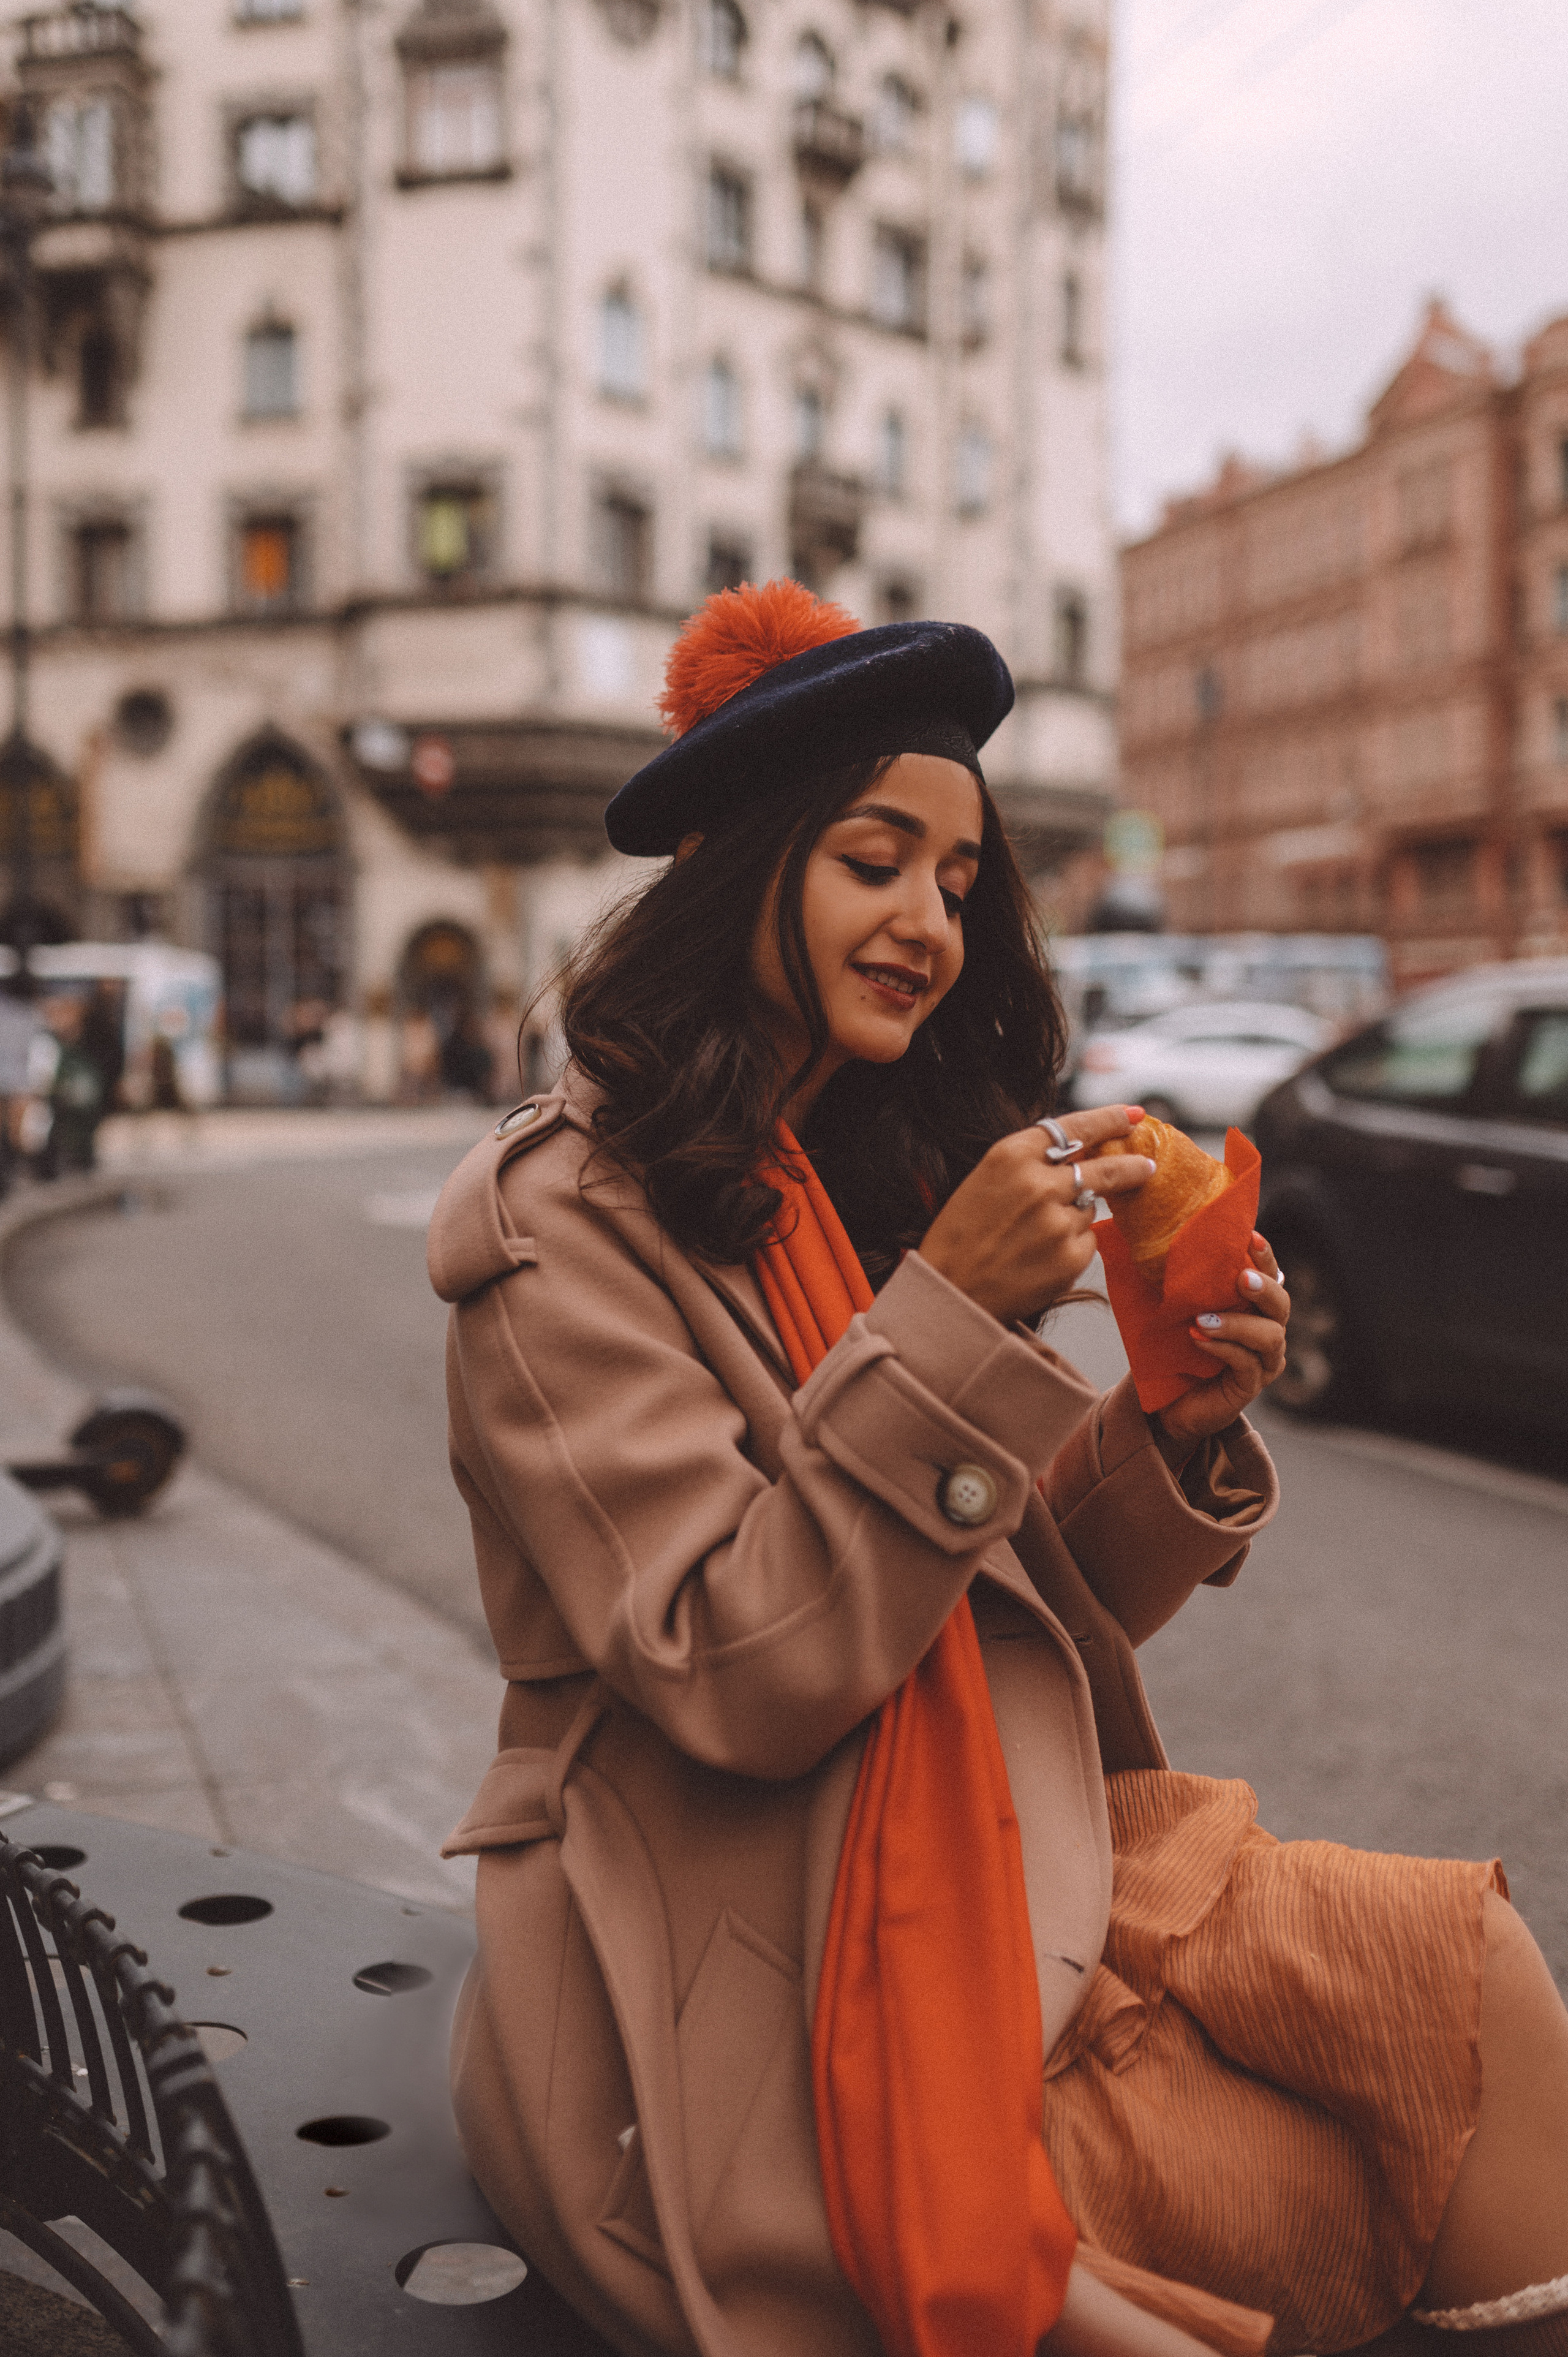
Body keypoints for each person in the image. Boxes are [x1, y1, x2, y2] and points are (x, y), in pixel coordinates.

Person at [428, 583, 1568, 2357]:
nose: (929, 923)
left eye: (958, 883)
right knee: (1371, 2164)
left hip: (996, 1851)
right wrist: (952, 1315)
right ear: (746, 870)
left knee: (1467, 1981)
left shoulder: (848, 1170)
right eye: (874, 861)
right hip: (750, 1962)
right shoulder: (560, 1226)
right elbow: (736, 1670)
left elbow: (984, 1605)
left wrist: (1170, 1422)